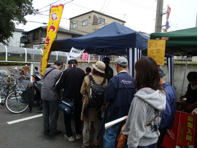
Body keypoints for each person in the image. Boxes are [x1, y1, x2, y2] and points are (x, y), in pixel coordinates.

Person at [122, 56, 166, 148]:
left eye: (136, 70)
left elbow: (136, 130)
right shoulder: (160, 93)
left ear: (141, 73)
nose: (135, 73)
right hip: (153, 140)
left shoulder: (140, 98)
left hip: (140, 143)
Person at [103, 56, 135, 148]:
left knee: (110, 135)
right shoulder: (133, 80)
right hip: (128, 114)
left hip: (115, 113)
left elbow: (108, 97)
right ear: (127, 66)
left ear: (116, 65)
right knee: (124, 135)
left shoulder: (114, 80)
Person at [56, 59, 85, 142]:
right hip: (78, 99)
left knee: (67, 117)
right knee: (78, 117)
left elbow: (59, 85)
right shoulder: (82, 72)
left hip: (67, 99)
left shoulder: (65, 72)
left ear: (69, 65)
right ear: (77, 64)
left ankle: (69, 135)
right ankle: (78, 134)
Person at [80, 61, 108, 148]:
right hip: (99, 106)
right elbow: (105, 94)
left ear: (94, 69)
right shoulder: (105, 80)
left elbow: (82, 91)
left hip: (88, 104)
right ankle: (96, 142)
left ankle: (85, 143)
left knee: (86, 125)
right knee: (97, 125)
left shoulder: (87, 78)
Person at [41, 60, 63, 136]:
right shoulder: (59, 72)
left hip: (43, 94)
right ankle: (53, 131)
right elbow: (59, 85)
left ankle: (46, 129)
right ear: (60, 66)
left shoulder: (46, 70)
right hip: (52, 95)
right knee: (53, 114)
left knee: (45, 113)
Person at [157, 68, 176, 148]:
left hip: (160, 126)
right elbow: (173, 109)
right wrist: (169, 126)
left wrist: (158, 127)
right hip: (165, 125)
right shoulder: (171, 88)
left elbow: (166, 112)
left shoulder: (164, 91)